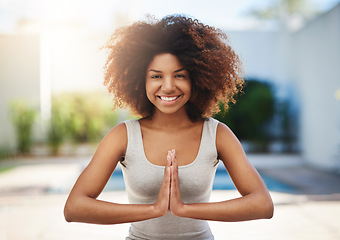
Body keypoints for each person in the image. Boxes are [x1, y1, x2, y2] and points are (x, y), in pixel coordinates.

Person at [64, 15, 274, 239]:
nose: (168, 86)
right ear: (140, 81)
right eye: (156, 76)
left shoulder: (217, 134)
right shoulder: (124, 136)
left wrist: (185, 209)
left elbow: (263, 204)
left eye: (180, 75)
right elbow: (74, 208)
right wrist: (154, 209)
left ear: (197, 79)